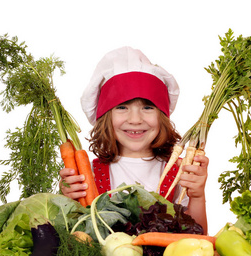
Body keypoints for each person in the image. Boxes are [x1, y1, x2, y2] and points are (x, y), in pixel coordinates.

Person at [60, 46, 209, 233]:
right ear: (106, 117)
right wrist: (68, 197)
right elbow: (75, 236)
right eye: (122, 107)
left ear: (163, 116)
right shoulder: (88, 174)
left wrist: (197, 195)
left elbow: (199, 239)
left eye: (147, 107)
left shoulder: (179, 174)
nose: (135, 119)